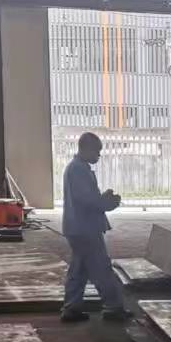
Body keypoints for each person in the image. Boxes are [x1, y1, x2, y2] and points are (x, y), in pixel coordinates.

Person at [61, 132, 128, 322]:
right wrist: (106, 202)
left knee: (79, 270)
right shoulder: (78, 170)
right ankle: (113, 307)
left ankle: (71, 308)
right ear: (85, 149)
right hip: (85, 228)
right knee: (101, 268)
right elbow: (86, 200)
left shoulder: (78, 168)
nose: (99, 155)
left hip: (77, 227)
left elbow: (86, 197)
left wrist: (102, 198)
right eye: (96, 151)